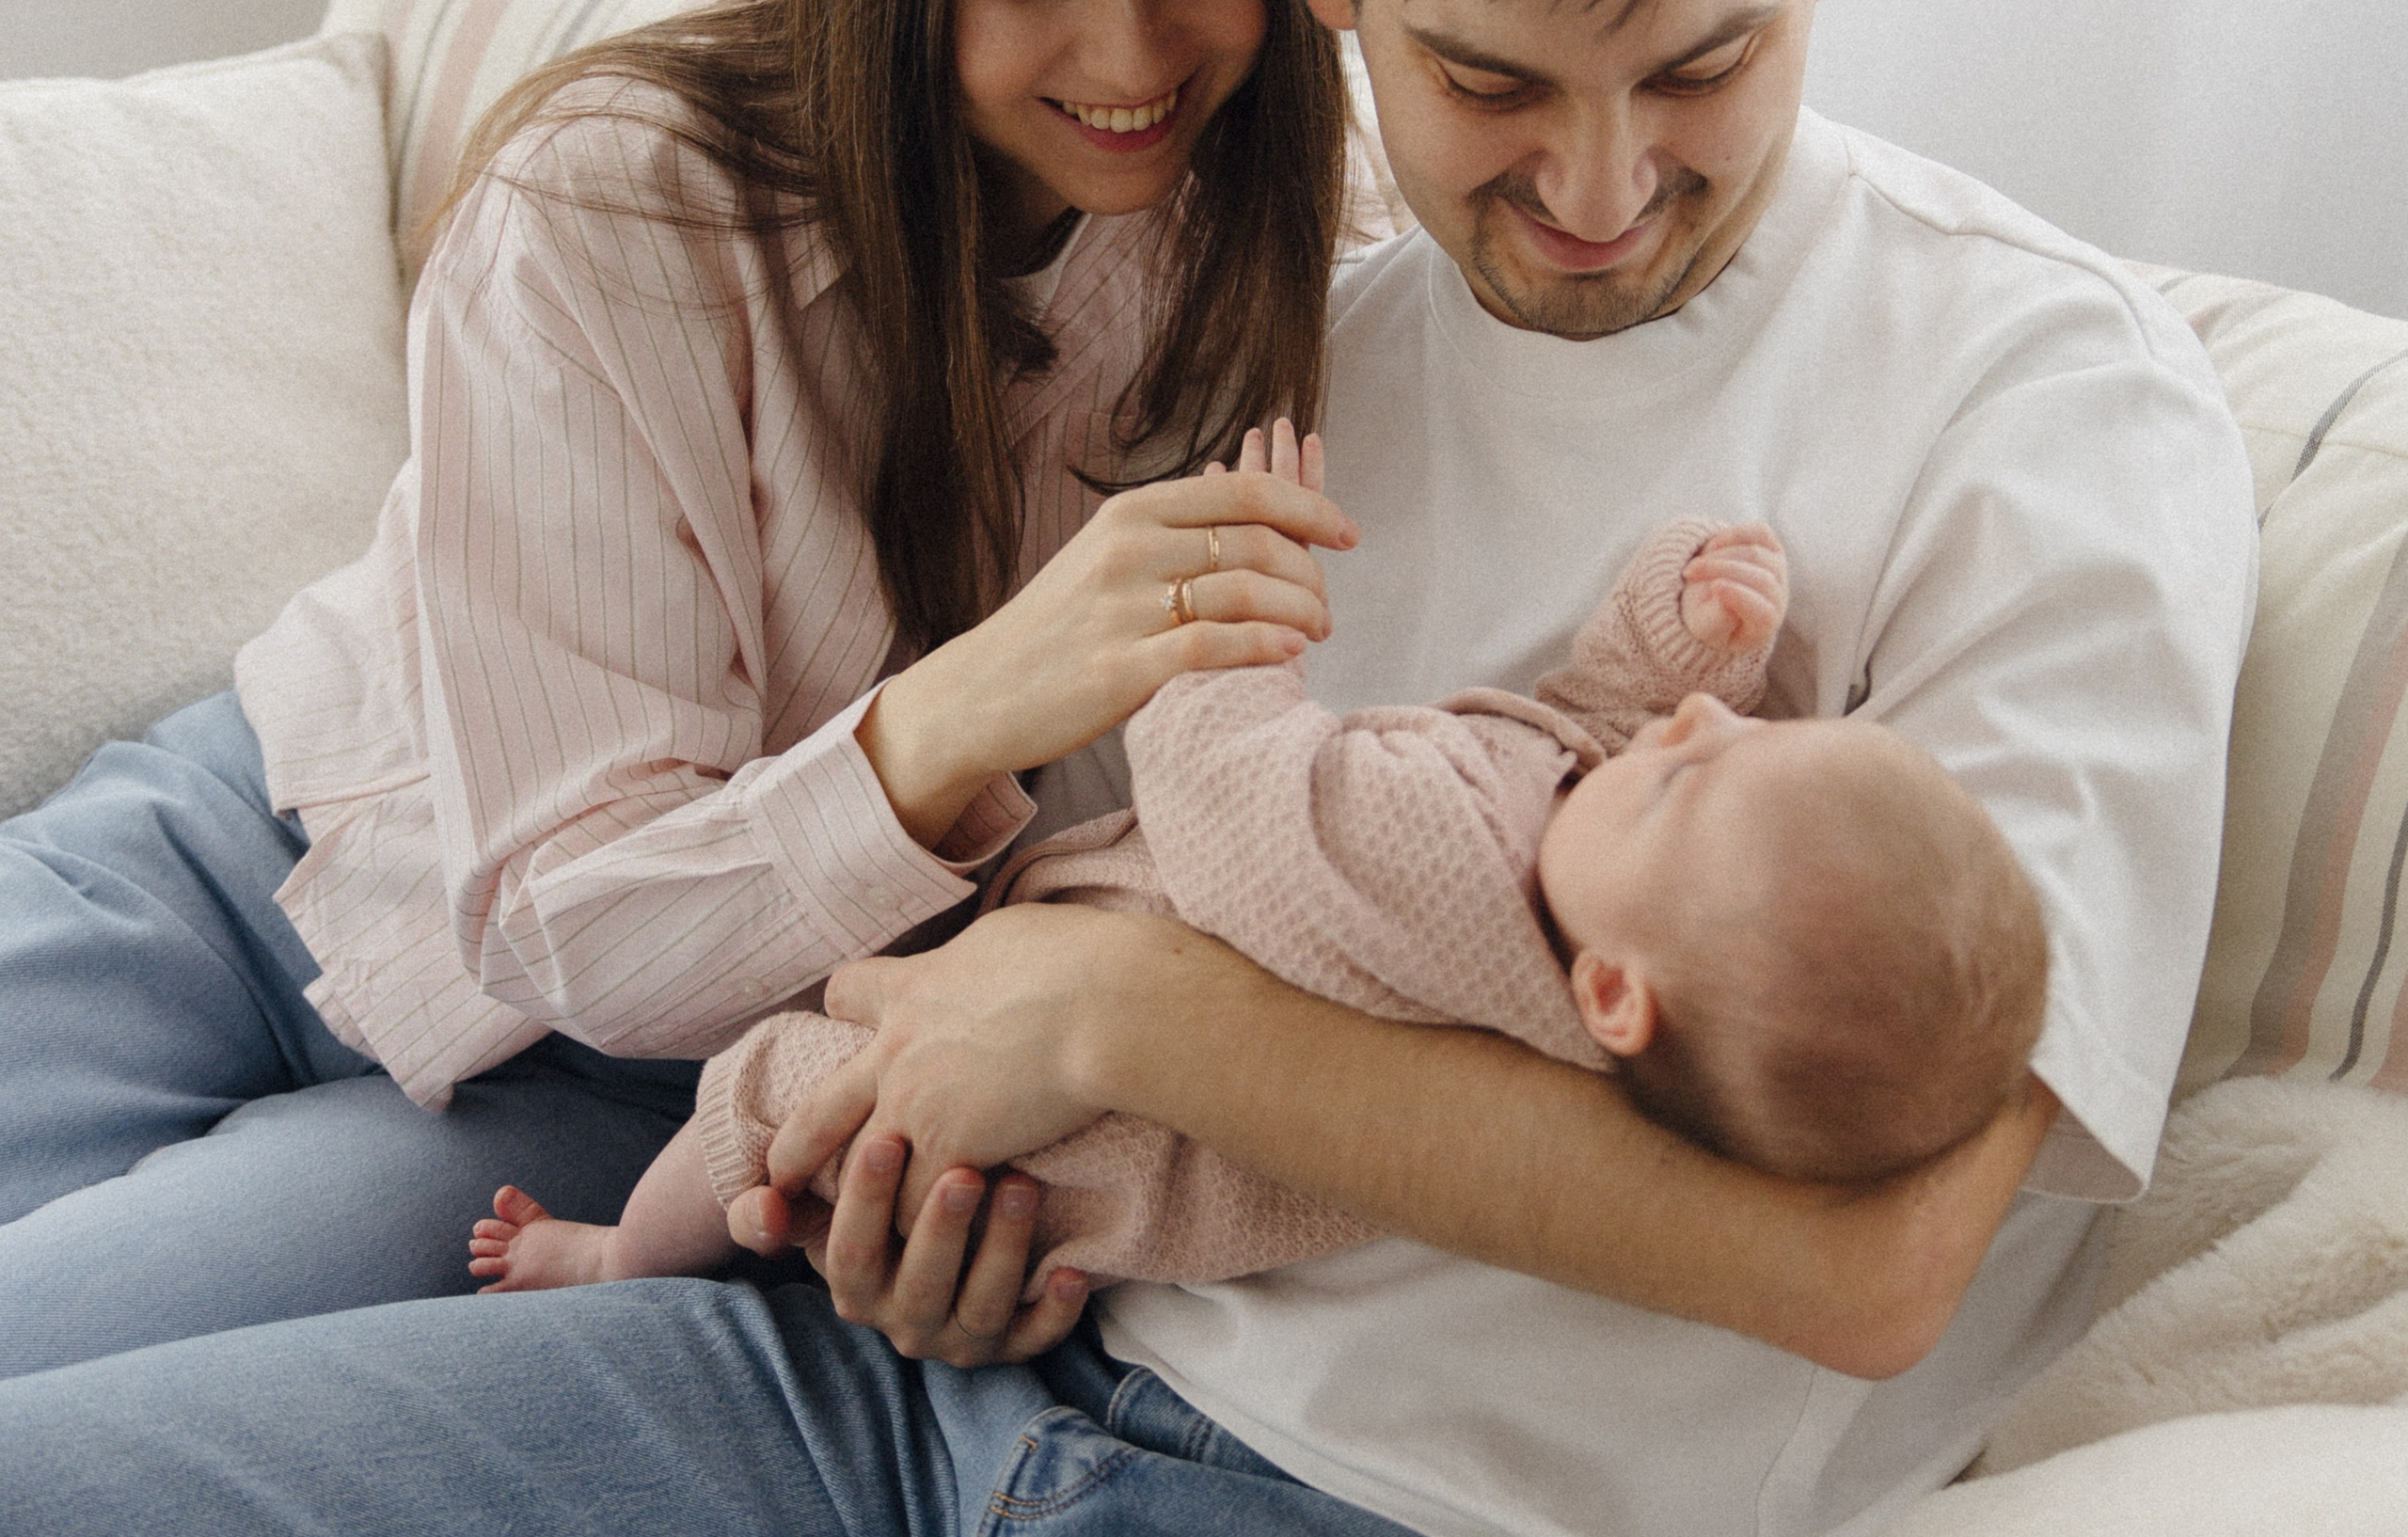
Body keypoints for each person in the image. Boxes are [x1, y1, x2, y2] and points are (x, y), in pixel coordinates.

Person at [0, 0, 2258, 1537]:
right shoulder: (1280, 321)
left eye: (1705, 67)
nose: (1603, 193)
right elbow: (1009, 907)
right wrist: (901, 1167)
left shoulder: (2045, 411)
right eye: (1494, 82)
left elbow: (1878, 1262)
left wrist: (1121, 1041)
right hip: (906, 1404)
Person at [0, 0, 1353, 1378]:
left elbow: (617, 977)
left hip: (594, 1106)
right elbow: (554, 878)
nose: (1128, 53)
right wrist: (973, 702)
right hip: (273, 840)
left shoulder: (1321, 268)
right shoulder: (615, 207)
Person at [467, 470, 2044, 1298]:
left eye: (1703, 767)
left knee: (764, 1093)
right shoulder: (1598, 917)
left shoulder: (1445, 873)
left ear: (1621, 995)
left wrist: (1238, 635)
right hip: (1047, 1043)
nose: (1700, 728)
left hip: (1065, 1132)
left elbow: (1233, 807)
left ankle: (621, 1256)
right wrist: (1690, 637)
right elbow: (1596, 719)